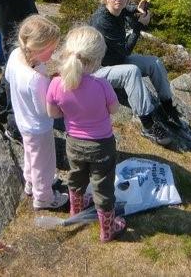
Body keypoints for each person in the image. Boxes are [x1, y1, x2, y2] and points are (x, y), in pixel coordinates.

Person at [46, 25, 126, 242]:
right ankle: (107, 230)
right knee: (103, 185)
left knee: (76, 175)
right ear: (96, 59)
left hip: (73, 142)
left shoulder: (55, 83)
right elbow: (114, 110)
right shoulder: (102, 85)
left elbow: (53, 113)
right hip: (101, 145)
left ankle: (76, 211)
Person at [90, 0, 181, 146]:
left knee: (155, 62)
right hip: (98, 69)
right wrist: (138, 27)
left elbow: (127, 10)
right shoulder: (102, 20)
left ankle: (167, 106)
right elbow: (124, 51)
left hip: (116, 61)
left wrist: (137, 9)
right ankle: (147, 125)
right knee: (131, 71)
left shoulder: (118, 10)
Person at [5, 15, 68, 210]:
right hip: (39, 127)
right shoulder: (36, 80)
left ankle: (30, 183)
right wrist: (57, 90)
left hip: (23, 120)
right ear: (38, 47)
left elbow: (8, 77)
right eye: (51, 49)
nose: (54, 52)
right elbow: (46, 110)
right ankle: (44, 198)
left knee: (30, 154)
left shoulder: (16, 54)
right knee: (45, 164)